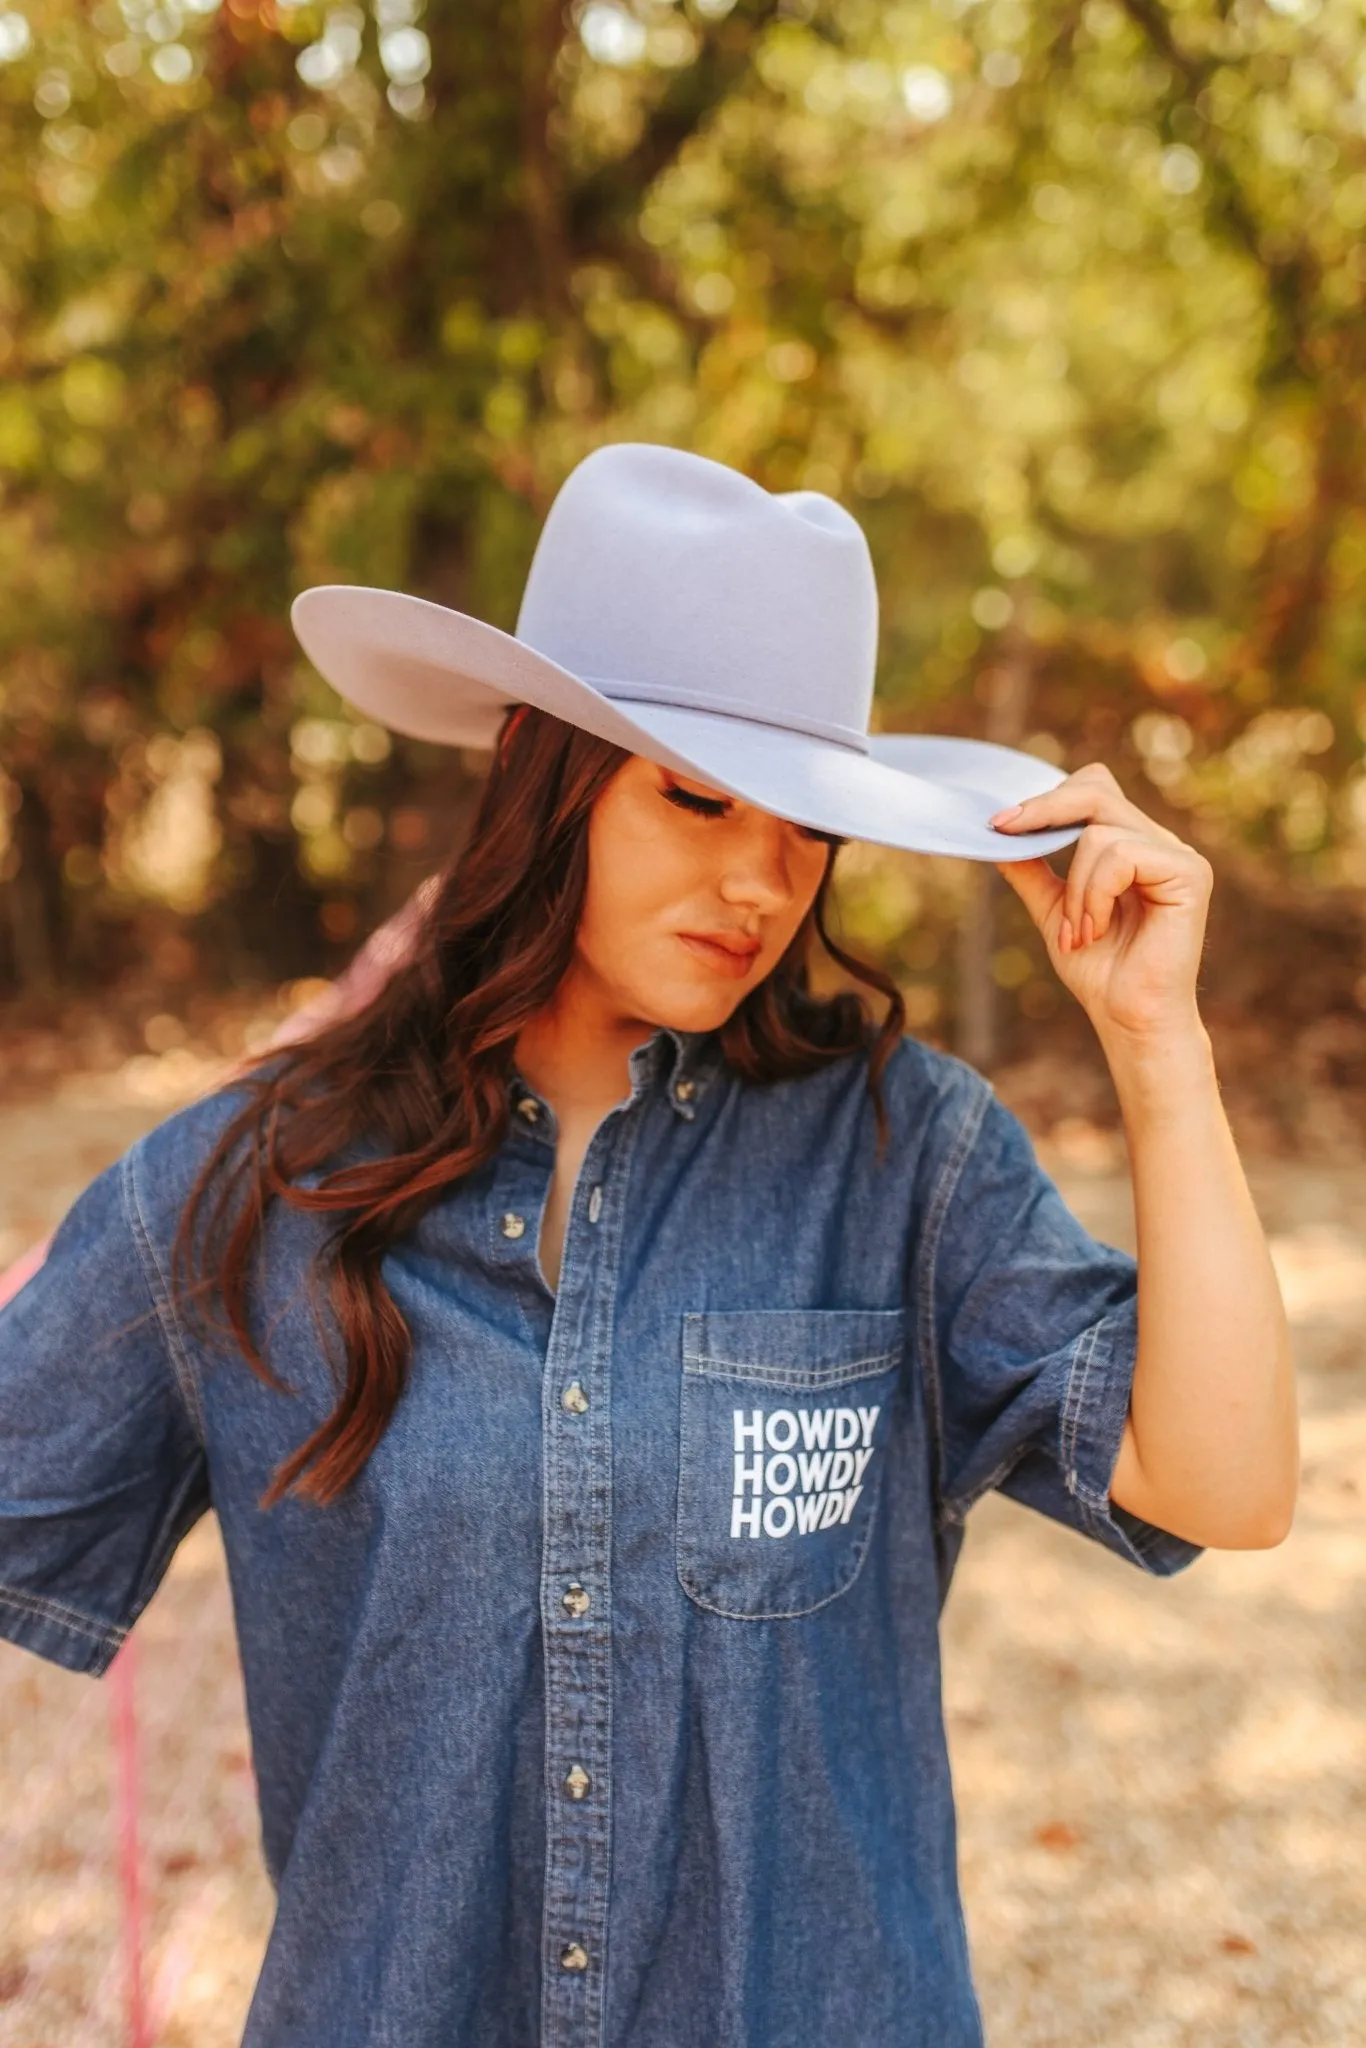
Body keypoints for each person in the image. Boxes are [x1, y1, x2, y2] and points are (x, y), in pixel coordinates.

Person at [0, 443, 1296, 2047]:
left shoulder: (902, 1158)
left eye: (808, 826)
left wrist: (1158, 1046)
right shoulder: (253, 1188)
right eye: (694, 797)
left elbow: (1225, 1488)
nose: (759, 882)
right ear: (548, 782)